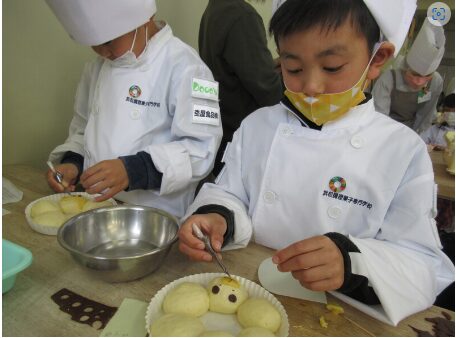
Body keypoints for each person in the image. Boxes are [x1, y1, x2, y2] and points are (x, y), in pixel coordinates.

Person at [178, 0, 455, 325]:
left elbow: (423, 266)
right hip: (249, 290)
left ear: (377, 58)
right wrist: (218, 216)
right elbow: (230, 193)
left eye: (332, 67)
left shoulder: (402, 150)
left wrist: (352, 264)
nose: (310, 86)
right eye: (292, 68)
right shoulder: (257, 126)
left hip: (340, 317)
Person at [44, 0, 222, 218]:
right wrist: (73, 164)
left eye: (108, 40)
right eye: (93, 43)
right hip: (99, 206)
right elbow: (84, 130)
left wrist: (133, 170)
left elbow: (202, 150)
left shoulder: (191, 69)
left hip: (156, 216)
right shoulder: (97, 68)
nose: (102, 51)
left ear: (144, 19)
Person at [199, 0, 283, 176]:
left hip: (224, 133)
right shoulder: (242, 16)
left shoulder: (216, 7)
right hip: (243, 140)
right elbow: (269, 91)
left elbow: (232, 69)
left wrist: (275, 65)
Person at [372, 19, 445, 134]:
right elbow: (379, 114)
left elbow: (426, 116)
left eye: (427, 76)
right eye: (415, 74)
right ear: (406, 68)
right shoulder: (390, 78)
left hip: (412, 130)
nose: (419, 82)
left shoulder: (436, 81)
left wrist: (416, 139)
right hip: (386, 128)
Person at [420, 78, 455, 150]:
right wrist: (431, 147)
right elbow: (420, 142)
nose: (450, 114)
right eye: (447, 111)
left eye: (454, 112)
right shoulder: (435, 129)